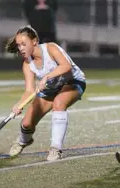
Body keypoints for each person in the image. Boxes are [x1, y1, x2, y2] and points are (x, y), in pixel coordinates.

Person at [5, 25, 86, 161]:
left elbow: (66, 66)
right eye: (19, 45)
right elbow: (29, 90)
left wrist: (47, 77)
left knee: (59, 103)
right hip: (51, 88)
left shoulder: (50, 48)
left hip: (72, 82)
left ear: (35, 41)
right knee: (26, 124)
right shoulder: (27, 64)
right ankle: (24, 141)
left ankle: (55, 149)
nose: (21, 48)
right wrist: (18, 105)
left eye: (24, 44)